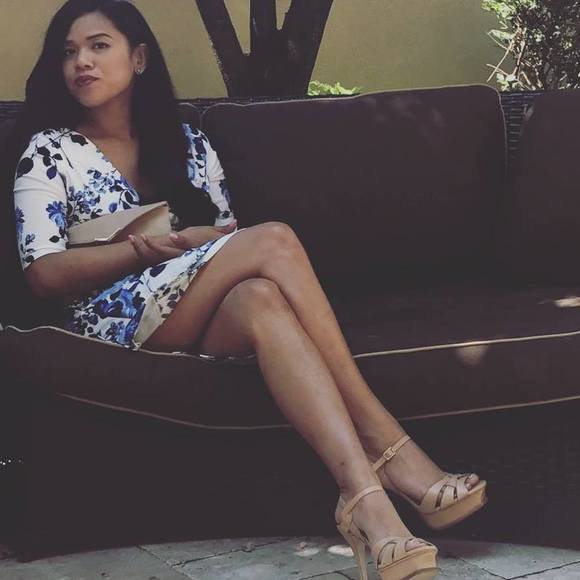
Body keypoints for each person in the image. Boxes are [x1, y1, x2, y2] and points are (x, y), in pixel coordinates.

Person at [9, 1, 487, 578]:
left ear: (139, 58)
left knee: (261, 298)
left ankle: (366, 502)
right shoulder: (50, 151)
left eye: (98, 45)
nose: (81, 62)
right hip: (107, 321)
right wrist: (144, 249)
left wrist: (195, 245)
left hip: (191, 310)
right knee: (275, 241)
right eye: (68, 52)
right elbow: (43, 272)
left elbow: (226, 245)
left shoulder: (188, 145)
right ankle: (389, 444)